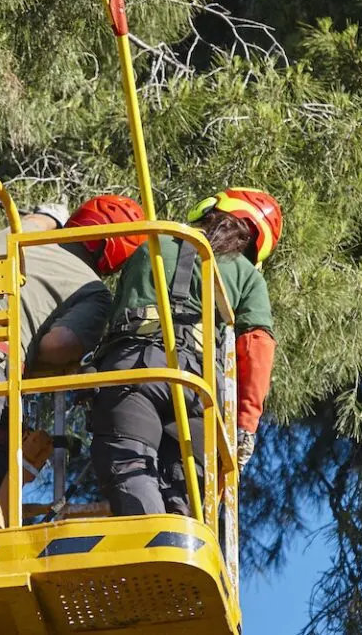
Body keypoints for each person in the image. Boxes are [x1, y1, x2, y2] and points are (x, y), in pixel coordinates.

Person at [0, 195, 146, 526]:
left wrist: (49, 216)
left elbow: (33, 222)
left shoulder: (13, 237)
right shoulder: (92, 291)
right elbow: (59, 345)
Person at [88, 187, 283, 516]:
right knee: (187, 491)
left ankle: (153, 543)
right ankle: (175, 551)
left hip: (135, 371)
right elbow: (256, 347)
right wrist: (245, 427)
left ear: (208, 207)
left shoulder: (152, 242)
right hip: (199, 390)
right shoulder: (248, 276)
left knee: (129, 467)